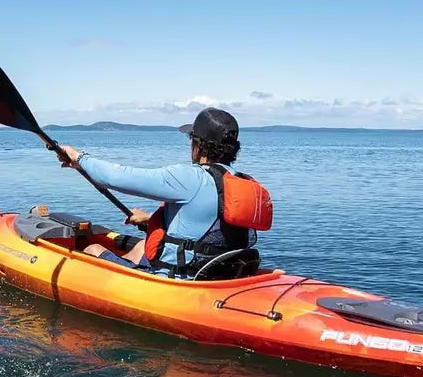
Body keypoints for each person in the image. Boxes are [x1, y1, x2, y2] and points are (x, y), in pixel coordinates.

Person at [57, 107, 272, 278]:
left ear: (197, 146)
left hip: (182, 281)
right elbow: (213, 225)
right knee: (142, 245)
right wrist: (151, 219)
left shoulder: (189, 177)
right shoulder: (243, 182)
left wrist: (79, 157)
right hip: (221, 275)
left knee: (93, 248)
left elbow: (115, 177)